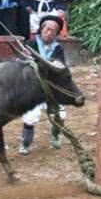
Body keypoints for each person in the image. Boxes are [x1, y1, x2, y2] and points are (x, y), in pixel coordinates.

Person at [19, 15, 67, 155]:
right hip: (32, 89)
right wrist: (25, 57)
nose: (49, 33)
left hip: (51, 88)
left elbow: (60, 67)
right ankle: (25, 144)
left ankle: (55, 136)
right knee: (31, 118)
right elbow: (18, 63)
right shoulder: (29, 44)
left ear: (56, 33)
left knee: (60, 115)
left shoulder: (58, 49)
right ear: (41, 29)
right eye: (47, 29)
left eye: (54, 31)